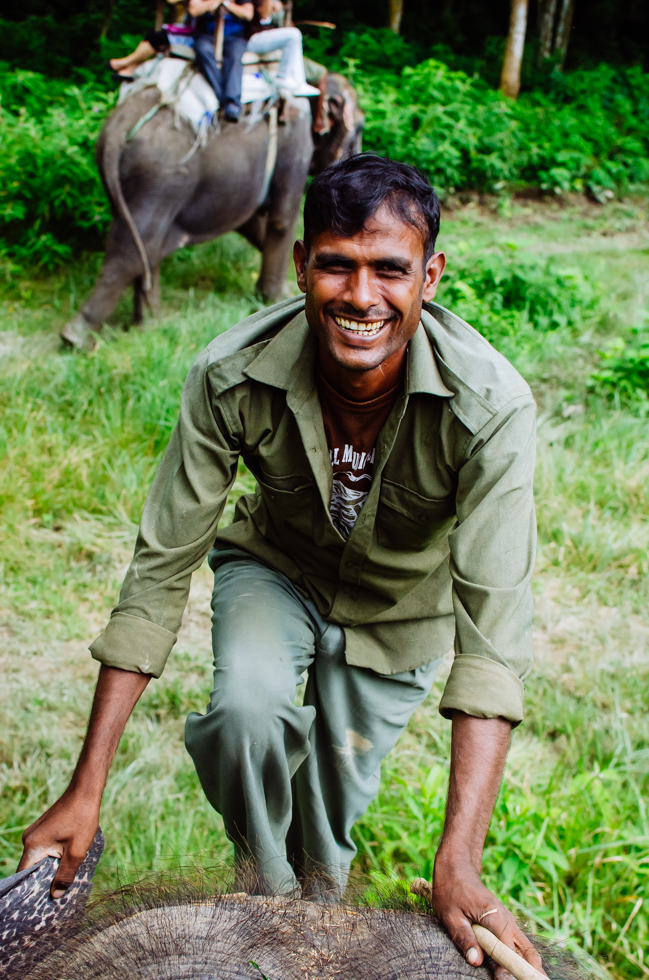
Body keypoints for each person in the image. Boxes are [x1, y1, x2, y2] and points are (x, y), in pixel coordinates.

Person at [18, 154, 543, 976]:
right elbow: (158, 573)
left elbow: (491, 641)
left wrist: (459, 859)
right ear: (299, 265)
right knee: (245, 716)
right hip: (278, 568)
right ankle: (263, 910)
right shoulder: (228, 373)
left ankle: (317, 899)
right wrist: (85, 791)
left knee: (332, 809)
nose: (360, 298)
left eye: (388, 271)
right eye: (335, 264)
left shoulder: (492, 408)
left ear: (429, 276)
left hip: (404, 605)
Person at [108, 1, 196, 81]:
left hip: (197, 36)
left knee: (157, 37)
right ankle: (131, 66)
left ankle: (126, 62)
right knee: (153, 33)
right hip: (190, 30)